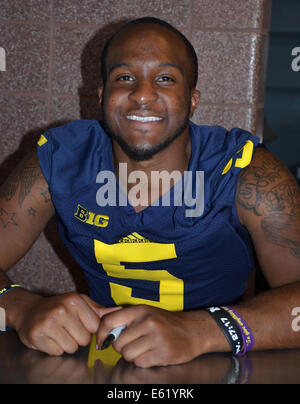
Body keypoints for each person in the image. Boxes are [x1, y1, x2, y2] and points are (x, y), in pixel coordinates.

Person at [0, 17, 299, 369]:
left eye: (165, 79)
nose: (142, 94)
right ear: (102, 97)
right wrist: (20, 306)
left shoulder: (247, 174)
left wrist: (199, 332)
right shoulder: (60, 161)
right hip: (105, 367)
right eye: (124, 77)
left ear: (192, 100)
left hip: (217, 365)